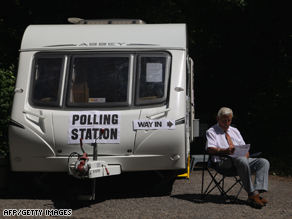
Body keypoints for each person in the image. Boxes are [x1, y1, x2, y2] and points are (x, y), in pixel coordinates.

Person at [206, 107, 270, 208]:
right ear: (218, 119)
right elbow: (210, 149)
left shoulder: (235, 130)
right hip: (223, 161)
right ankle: (252, 194)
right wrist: (225, 151)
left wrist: (246, 154)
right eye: (224, 120)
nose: (227, 123)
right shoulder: (211, 131)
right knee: (242, 160)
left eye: (229, 120)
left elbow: (245, 148)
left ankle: (256, 192)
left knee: (263, 162)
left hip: (240, 161)